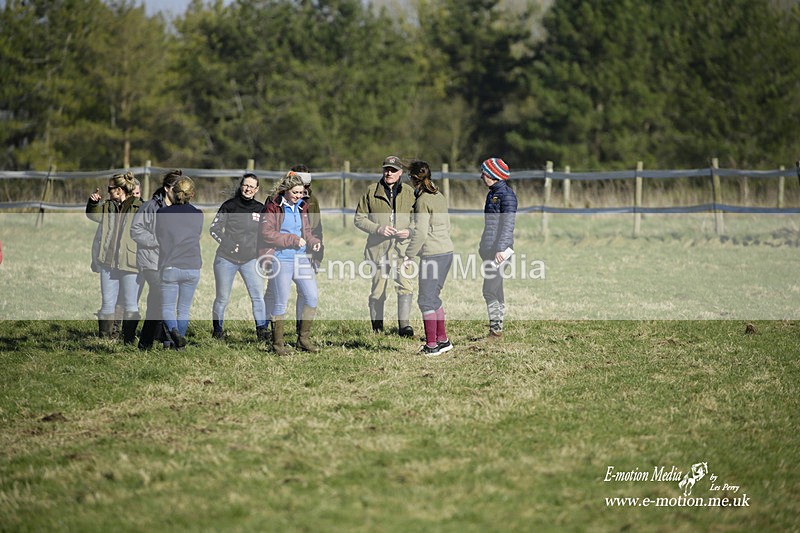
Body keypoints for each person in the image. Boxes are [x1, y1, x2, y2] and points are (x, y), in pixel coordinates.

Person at [259, 171, 322, 355]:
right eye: (295, 192)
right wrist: (292, 239)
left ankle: (303, 339)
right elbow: (266, 233)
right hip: (281, 258)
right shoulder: (273, 206)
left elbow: (306, 232)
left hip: (301, 259)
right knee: (281, 302)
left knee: (311, 297)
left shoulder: (302, 206)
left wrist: (313, 241)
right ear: (286, 190)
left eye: (301, 193)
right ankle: (278, 344)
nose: (298, 196)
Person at [353, 155, 416, 336]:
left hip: (402, 249)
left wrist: (409, 231)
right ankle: (377, 329)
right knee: (377, 290)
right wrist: (377, 229)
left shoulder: (410, 192)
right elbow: (359, 218)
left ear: (400, 173)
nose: (389, 173)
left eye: (393, 170)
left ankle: (404, 327)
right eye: (386, 169)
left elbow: (419, 219)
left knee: (405, 286)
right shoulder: (371, 191)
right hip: (378, 250)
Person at [209, 172, 268, 341]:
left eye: (252, 186)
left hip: (250, 260)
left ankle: (262, 331)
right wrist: (229, 244)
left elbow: (265, 234)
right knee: (222, 298)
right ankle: (217, 331)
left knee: (258, 297)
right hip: (226, 259)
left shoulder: (260, 209)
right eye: (246, 185)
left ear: (257, 189)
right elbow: (214, 229)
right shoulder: (229, 206)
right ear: (241, 186)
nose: (248, 189)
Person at [403, 161, 454, 356]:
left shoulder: (423, 200)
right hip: (446, 251)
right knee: (434, 297)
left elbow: (421, 232)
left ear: (413, 178)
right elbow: (447, 226)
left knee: (425, 300)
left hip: (433, 255)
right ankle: (443, 340)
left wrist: (409, 255)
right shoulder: (439, 195)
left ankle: (431, 345)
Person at [86, 171, 143, 343]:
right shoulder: (107, 206)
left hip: (130, 262)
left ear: (119, 190)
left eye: (110, 188)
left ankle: (128, 340)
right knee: (107, 304)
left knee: (130, 304)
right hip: (108, 261)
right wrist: (93, 203)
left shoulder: (140, 207)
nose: (108, 191)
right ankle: (105, 340)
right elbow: (93, 215)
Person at [130, 169, 183, 350]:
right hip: (150, 261)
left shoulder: (180, 208)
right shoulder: (150, 206)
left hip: (171, 261)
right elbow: (135, 230)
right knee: (162, 298)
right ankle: (169, 341)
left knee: (157, 302)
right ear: (167, 188)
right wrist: (157, 240)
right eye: (177, 189)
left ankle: (148, 342)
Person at [156, 176, 203, 349]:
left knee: (167, 307)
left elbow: (159, 236)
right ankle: (178, 345)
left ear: (173, 193)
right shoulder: (198, 215)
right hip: (192, 265)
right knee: (183, 309)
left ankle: (173, 332)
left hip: (170, 265)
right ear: (192, 194)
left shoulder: (162, 214)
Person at [478, 158, 517, 338]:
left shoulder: (506, 196)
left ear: (493, 175)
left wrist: (501, 249)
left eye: (484, 173)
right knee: (496, 289)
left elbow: (508, 225)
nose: (481, 176)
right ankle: (497, 328)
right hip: (490, 250)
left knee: (489, 290)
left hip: (500, 252)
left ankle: (495, 331)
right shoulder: (492, 194)